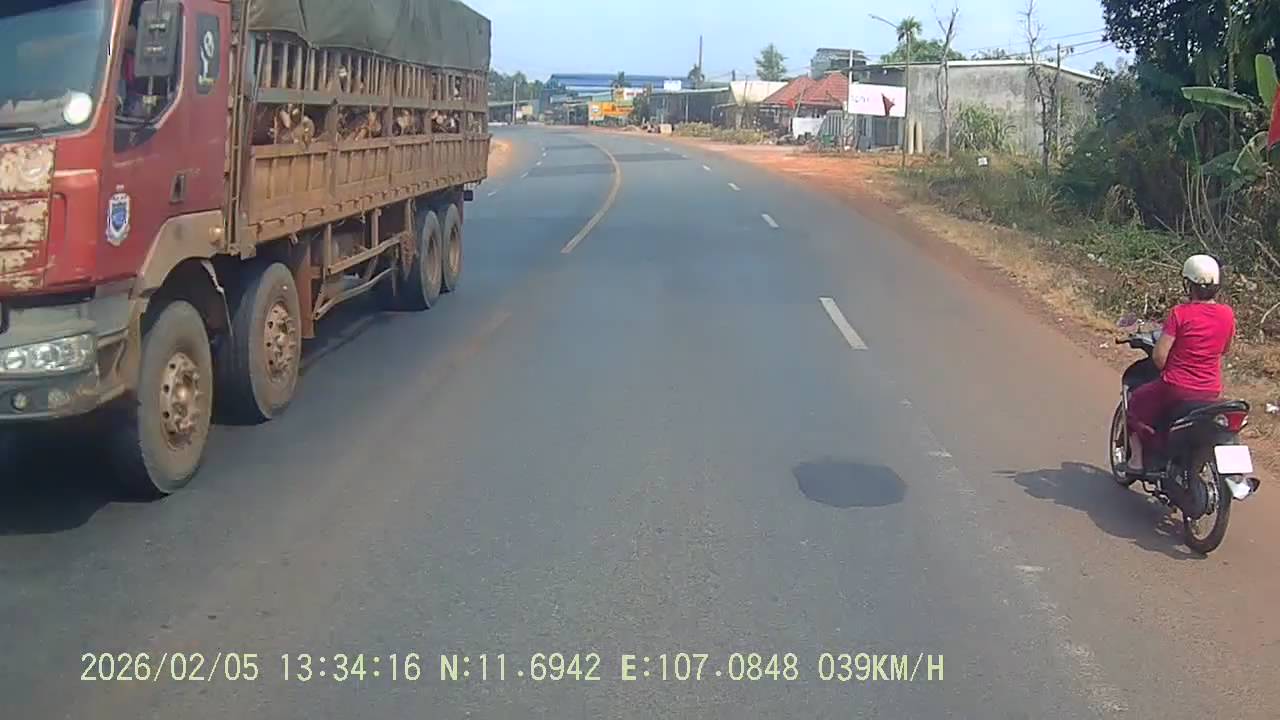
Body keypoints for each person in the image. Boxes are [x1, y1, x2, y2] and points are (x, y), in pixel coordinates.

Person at [1126, 255, 1236, 471]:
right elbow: (1225, 348)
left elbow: (1159, 357)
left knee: (1135, 403)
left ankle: (1136, 461)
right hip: (1211, 390)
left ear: (1189, 284)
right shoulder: (1227, 314)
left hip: (1176, 387)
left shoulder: (1180, 313)